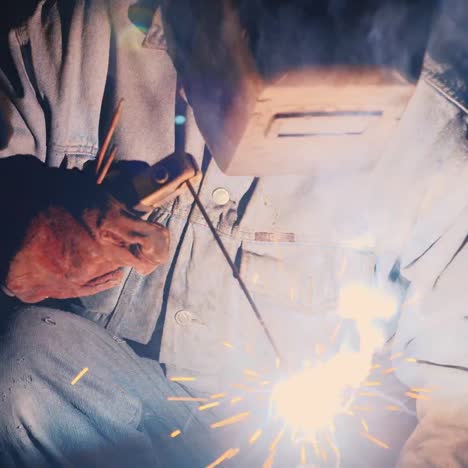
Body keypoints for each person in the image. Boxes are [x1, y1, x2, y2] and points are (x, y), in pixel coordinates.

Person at [0, 0, 466, 467]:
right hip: (102, 407)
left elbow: (459, 388)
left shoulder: (428, 126)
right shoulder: (77, 39)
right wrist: (21, 223)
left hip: (271, 451)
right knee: (26, 364)